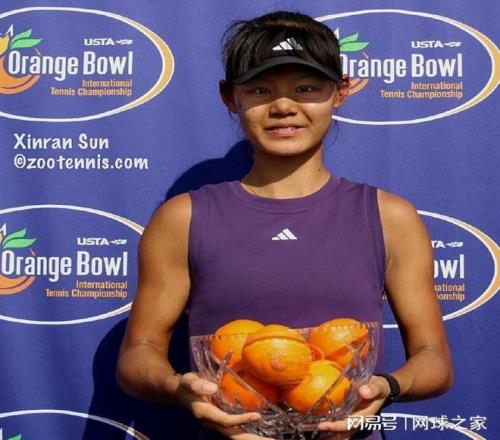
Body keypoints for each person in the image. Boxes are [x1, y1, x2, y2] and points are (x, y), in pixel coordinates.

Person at [116, 11, 453, 440]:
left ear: (340, 92)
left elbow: (434, 360)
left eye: (306, 88)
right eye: (260, 89)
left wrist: (383, 390)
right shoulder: (183, 218)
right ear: (230, 97)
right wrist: (178, 388)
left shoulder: (390, 217)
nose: (283, 107)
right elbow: (138, 354)